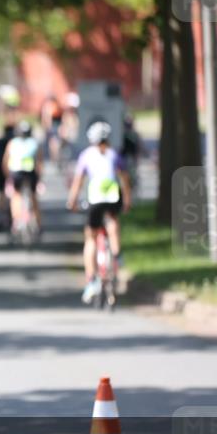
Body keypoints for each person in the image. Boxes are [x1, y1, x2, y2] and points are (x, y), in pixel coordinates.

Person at [66, 120, 132, 304]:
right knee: (112, 220)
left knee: (91, 237)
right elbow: (124, 179)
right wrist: (127, 200)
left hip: (94, 200)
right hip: (113, 198)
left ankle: (91, 280)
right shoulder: (114, 154)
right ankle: (117, 254)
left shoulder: (86, 156)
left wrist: (71, 201)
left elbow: (78, 181)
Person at [3, 120, 43, 235]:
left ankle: (16, 221)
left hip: (16, 173)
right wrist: (39, 177)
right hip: (31, 173)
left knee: (16, 195)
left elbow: (5, 162)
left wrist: (8, 176)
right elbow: (39, 162)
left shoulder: (12, 143)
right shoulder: (34, 143)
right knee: (33, 196)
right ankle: (39, 224)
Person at [0, 114, 16, 232]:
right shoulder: (15, 142)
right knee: (15, 195)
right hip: (13, 169)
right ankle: (12, 217)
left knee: (2, 195)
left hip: (0, 170)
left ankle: (1, 218)